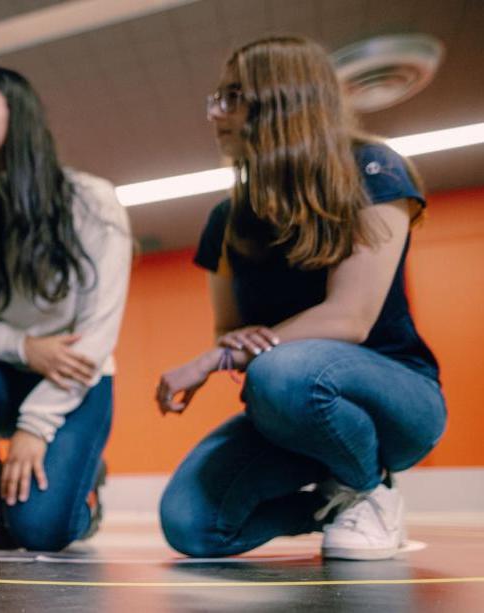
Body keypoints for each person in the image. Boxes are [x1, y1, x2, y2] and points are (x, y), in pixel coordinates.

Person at [156, 35, 446, 561]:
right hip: (291, 410)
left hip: (395, 400)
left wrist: (217, 357)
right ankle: (335, 504)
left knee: (281, 371)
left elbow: (350, 317)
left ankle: (370, 490)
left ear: (283, 99)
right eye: (215, 99)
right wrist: (229, 344)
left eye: (232, 96)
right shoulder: (225, 220)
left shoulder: (372, 168)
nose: (215, 113)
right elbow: (230, 331)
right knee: (191, 525)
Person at [0, 66, 132, 551]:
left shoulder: (93, 201)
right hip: (5, 371)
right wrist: (24, 346)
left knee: (40, 532)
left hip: (78, 380)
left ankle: (85, 484)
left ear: (20, 115)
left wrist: (35, 426)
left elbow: (97, 337)